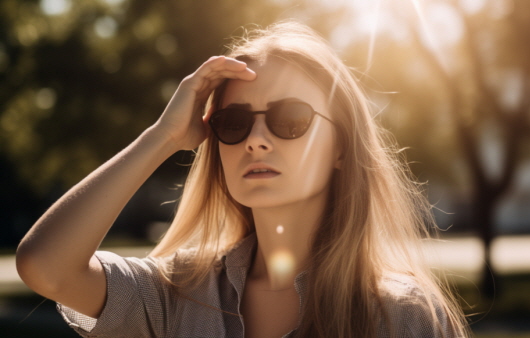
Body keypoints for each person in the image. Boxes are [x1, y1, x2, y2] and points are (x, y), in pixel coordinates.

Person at [16, 21, 469, 337]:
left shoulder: (402, 317)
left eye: (289, 118)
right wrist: (163, 136)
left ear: (342, 147)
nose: (255, 140)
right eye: (233, 122)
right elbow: (46, 267)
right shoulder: (175, 295)